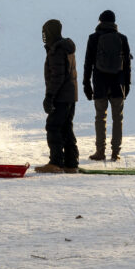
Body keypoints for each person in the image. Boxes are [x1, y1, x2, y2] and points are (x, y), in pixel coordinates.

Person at [83, 10, 133, 161]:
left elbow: (88, 63)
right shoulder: (122, 38)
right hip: (118, 84)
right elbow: (127, 65)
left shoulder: (93, 38)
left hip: (100, 84)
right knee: (118, 118)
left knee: (100, 118)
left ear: (100, 21)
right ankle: (115, 153)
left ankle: (100, 151)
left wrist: (86, 84)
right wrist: (127, 84)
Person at [37, 19, 79, 173]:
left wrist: (49, 97)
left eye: (45, 33)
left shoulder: (56, 50)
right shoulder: (66, 48)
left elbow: (58, 77)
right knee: (66, 128)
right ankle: (71, 163)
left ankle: (56, 162)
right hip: (70, 95)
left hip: (61, 97)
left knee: (53, 127)